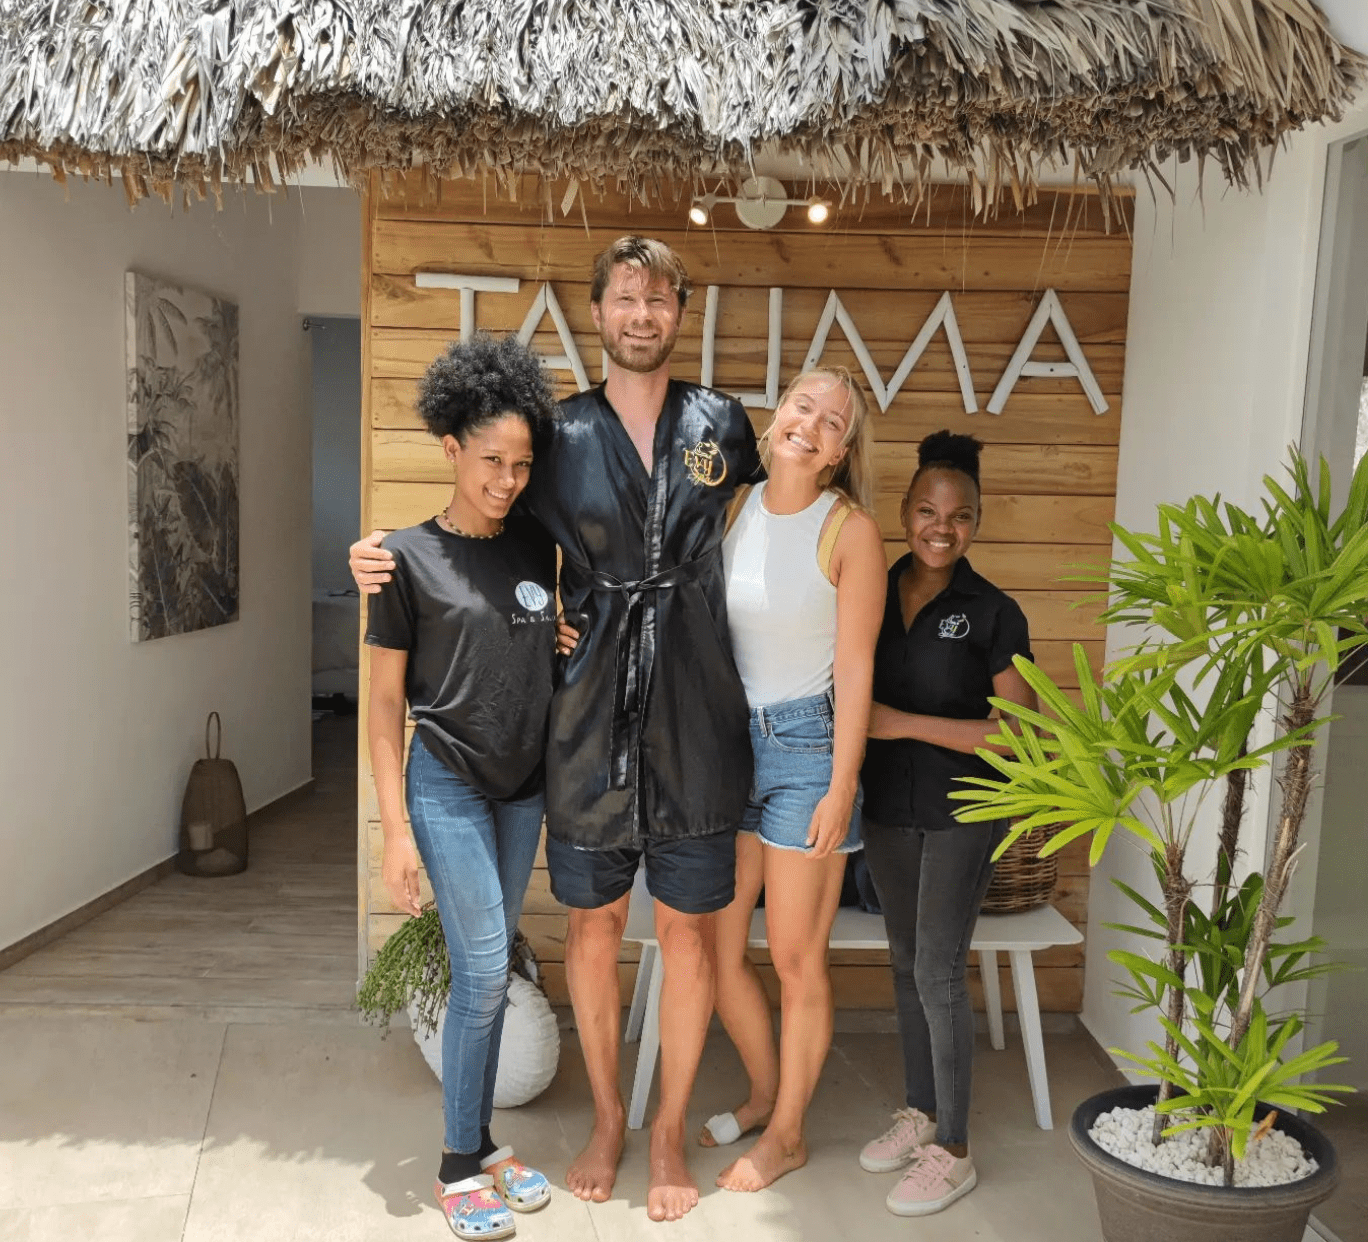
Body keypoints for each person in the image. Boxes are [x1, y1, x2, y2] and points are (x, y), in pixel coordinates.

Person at [352, 237, 762, 1223]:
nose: (641, 314)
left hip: (697, 714)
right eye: (625, 298)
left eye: (659, 299)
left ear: (681, 311)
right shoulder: (559, 433)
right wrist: (378, 556)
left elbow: (761, 526)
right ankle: (609, 1120)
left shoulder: (721, 422)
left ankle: (667, 1132)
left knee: (691, 934)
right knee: (592, 924)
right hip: (586, 722)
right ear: (599, 311)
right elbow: (476, 533)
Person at [365, 334, 559, 1240]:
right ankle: (456, 1166)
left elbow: (531, 641)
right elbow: (381, 708)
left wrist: (559, 637)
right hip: (445, 783)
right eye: (490, 461)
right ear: (451, 449)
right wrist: (394, 832)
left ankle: (480, 1144)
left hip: (523, 787)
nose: (507, 480)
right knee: (481, 969)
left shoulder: (535, 545)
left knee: (489, 968)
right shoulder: (402, 560)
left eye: (520, 465)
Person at [697, 368, 885, 1192]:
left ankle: (789, 1135)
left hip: (808, 749)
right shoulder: (732, 504)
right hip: (728, 746)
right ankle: (768, 1095)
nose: (813, 424)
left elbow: (857, 667)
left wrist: (842, 787)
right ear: (776, 419)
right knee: (718, 947)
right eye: (803, 406)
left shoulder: (850, 532)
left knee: (797, 957)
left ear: (840, 453)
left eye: (833, 421)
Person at [855, 430, 1037, 1217]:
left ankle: (955, 1152)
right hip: (888, 808)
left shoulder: (994, 613)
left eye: (960, 515)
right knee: (904, 964)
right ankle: (922, 1111)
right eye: (928, 510)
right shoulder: (871, 590)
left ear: (976, 523)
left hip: (966, 811)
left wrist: (901, 724)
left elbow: (1019, 735)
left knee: (937, 969)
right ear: (904, 513)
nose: (942, 526)